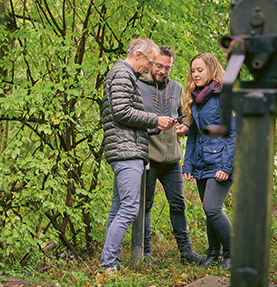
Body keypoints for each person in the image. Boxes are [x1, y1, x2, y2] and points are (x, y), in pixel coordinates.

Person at [99, 38, 175, 273]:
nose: (150, 68)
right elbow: (122, 112)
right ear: (139, 55)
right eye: (151, 62)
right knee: (130, 208)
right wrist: (154, 119)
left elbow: (125, 116)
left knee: (118, 208)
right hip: (126, 151)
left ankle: (110, 261)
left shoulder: (123, 74)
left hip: (126, 147)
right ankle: (108, 264)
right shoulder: (123, 73)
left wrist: (157, 126)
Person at [137, 46, 205, 265]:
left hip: (173, 159)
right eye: (159, 66)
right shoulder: (136, 86)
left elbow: (182, 116)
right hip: (148, 157)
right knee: (145, 206)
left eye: (168, 67)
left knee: (178, 204)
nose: (163, 71)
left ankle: (186, 252)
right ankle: (145, 253)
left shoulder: (176, 87)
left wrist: (185, 127)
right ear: (151, 63)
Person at [182, 53, 235, 269]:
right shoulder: (196, 99)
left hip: (222, 162)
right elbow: (194, 135)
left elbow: (234, 133)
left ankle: (233, 253)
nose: (195, 74)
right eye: (193, 70)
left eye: (200, 70)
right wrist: (187, 164)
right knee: (207, 210)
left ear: (211, 70)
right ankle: (214, 253)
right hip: (202, 163)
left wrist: (226, 166)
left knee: (212, 208)